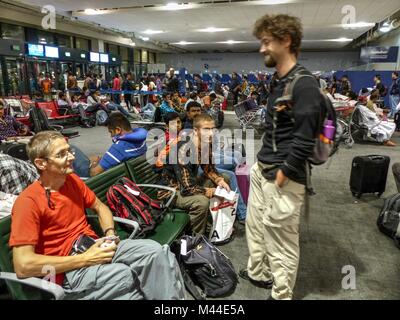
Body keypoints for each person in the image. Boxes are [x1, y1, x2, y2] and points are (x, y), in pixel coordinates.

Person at [9, 130, 185, 300]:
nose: (72, 157)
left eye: (69, 150)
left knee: (155, 251)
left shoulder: (72, 181)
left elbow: (100, 208)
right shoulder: (28, 202)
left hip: (96, 246)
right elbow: (23, 266)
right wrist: (84, 258)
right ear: (41, 164)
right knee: (124, 276)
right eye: (61, 154)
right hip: (68, 270)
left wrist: (109, 233)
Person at [241, 14, 325, 300]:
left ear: (286, 40)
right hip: (262, 168)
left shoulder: (304, 85)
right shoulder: (278, 81)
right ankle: (259, 272)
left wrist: (284, 172)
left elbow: (305, 137)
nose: (262, 49)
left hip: (283, 177)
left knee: (281, 242)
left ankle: (281, 294)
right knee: (256, 227)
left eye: (266, 42)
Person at [159, 114, 231, 234]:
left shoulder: (206, 143)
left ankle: (211, 224)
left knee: (225, 179)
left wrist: (219, 181)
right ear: (196, 130)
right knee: (201, 201)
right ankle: (195, 238)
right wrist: (213, 191)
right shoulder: (183, 150)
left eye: (213, 129)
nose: (211, 133)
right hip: (171, 191)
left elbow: (208, 169)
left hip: (188, 183)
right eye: (206, 129)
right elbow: (187, 189)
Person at [73, 112, 147, 177]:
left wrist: (94, 163)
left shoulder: (120, 147)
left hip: (105, 182)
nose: (111, 136)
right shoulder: (141, 141)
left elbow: (94, 173)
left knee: (72, 150)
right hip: (132, 177)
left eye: (111, 132)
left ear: (118, 130)